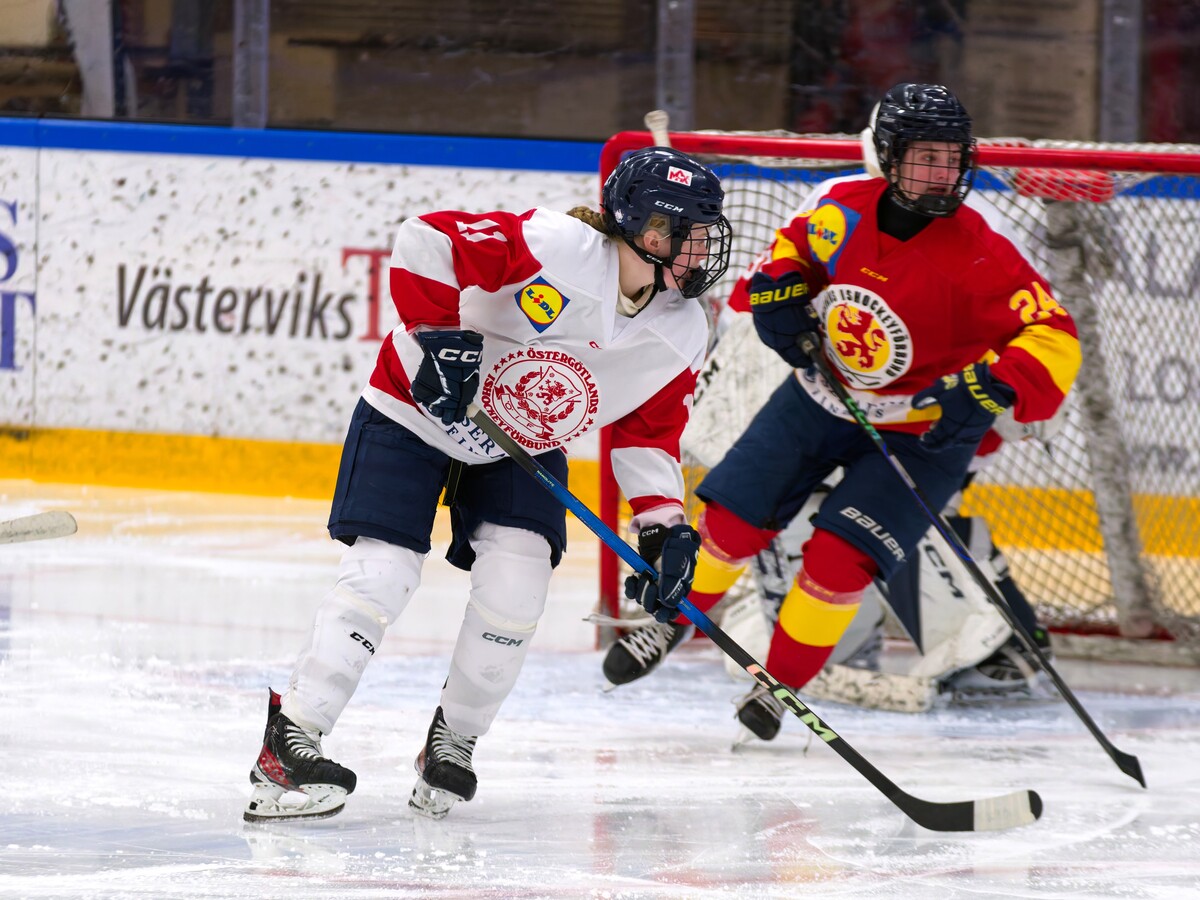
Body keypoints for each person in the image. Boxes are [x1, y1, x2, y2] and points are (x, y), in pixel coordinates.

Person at [243, 145, 732, 821]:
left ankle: (454, 741)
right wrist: (438, 335)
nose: (703, 250)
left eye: (707, 233)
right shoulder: (556, 246)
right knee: (383, 574)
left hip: (521, 443)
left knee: (517, 587)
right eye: (690, 232)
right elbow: (427, 239)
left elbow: (649, 435)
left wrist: (663, 529)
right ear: (645, 229)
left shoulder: (681, 329)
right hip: (414, 412)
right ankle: (292, 737)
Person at [602, 82, 1081, 742]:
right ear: (887, 157)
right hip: (822, 397)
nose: (942, 174)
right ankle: (670, 621)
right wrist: (780, 293)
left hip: (924, 432)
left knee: (838, 561)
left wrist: (991, 385)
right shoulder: (839, 205)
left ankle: (779, 685)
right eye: (925, 158)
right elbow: (788, 258)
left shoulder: (983, 247)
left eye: (951, 159)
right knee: (732, 522)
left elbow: (1055, 334)